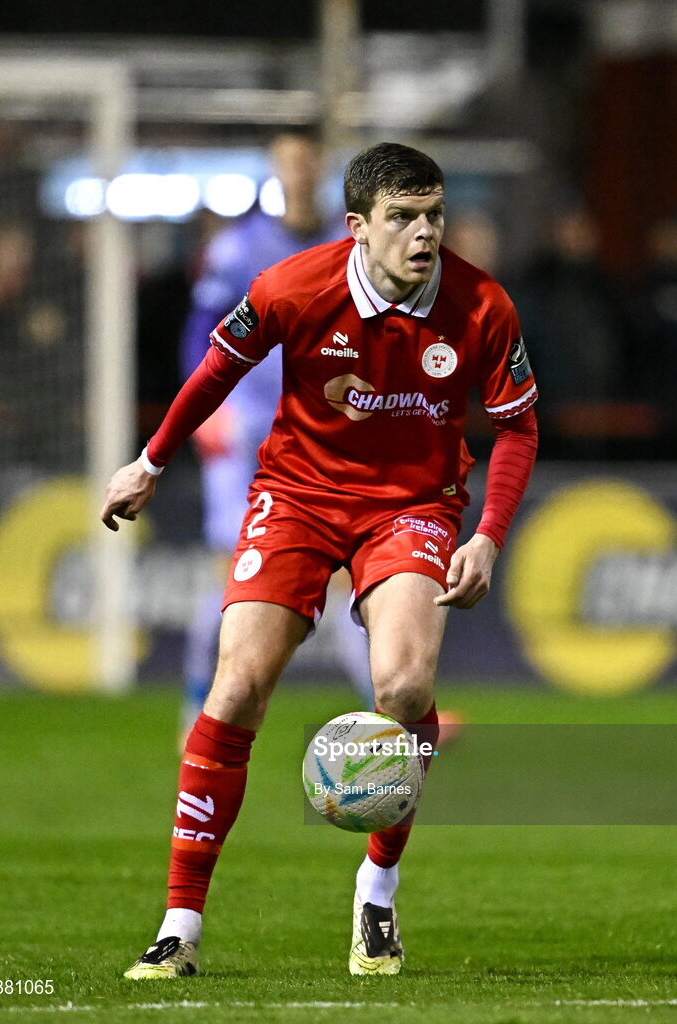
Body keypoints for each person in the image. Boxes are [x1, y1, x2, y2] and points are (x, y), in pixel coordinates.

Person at [101, 142, 539, 979]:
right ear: (357, 227)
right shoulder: (290, 286)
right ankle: (180, 925)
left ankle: (376, 892)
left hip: (411, 507)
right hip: (296, 494)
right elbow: (215, 371)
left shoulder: (482, 306)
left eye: (433, 215)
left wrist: (487, 533)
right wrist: (151, 461)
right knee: (234, 690)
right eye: (403, 218)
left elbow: (515, 426)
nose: (423, 233)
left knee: (404, 689)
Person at [178, 131, 373, 739]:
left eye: (306, 158)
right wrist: (205, 410)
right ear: (273, 167)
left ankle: (395, 711)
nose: (297, 169)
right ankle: (196, 709)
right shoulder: (238, 248)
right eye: (286, 159)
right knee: (232, 567)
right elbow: (200, 331)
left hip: (320, 430)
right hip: (246, 430)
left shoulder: (346, 248)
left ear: (320, 166)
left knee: (344, 570)